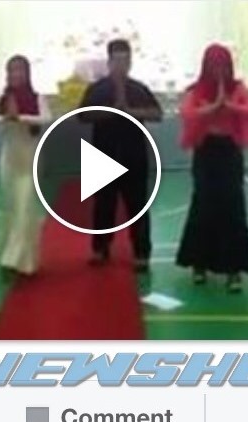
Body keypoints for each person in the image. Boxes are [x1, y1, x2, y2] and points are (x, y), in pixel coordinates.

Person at [176, 44, 248, 293]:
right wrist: (213, 107)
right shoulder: (197, 90)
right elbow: (187, 113)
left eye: (224, 66)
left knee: (232, 207)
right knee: (203, 205)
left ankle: (233, 269)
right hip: (206, 152)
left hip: (229, 152)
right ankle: (199, 264)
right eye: (214, 66)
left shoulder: (237, 88)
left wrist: (230, 105)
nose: (219, 71)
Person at [79, 39, 163, 273]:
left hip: (134, 154)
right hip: (102, 154)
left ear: (131, 63)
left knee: (138, 205)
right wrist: (110, 111)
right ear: (109, 62)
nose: (121, 65)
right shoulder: (98, 89)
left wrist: (130, 111)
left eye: (125, 61)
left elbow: (157, 113)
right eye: (116, 60)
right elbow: (82, 115)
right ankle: (100, 248)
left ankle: (141, 253)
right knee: (103, 204)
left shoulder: (139, 89)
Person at [0, 55, 51, 276]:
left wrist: (20, 118)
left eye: (20, 70)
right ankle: (10, 256)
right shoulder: (2, 99)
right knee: (12, 207)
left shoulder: (37, 98)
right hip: (9, 159)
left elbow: (46, 118)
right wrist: (3, 118)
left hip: (29, 158)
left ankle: (23, 260)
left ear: (27, 73)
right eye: (12, 70)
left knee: (26, 207)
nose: (15, 74)